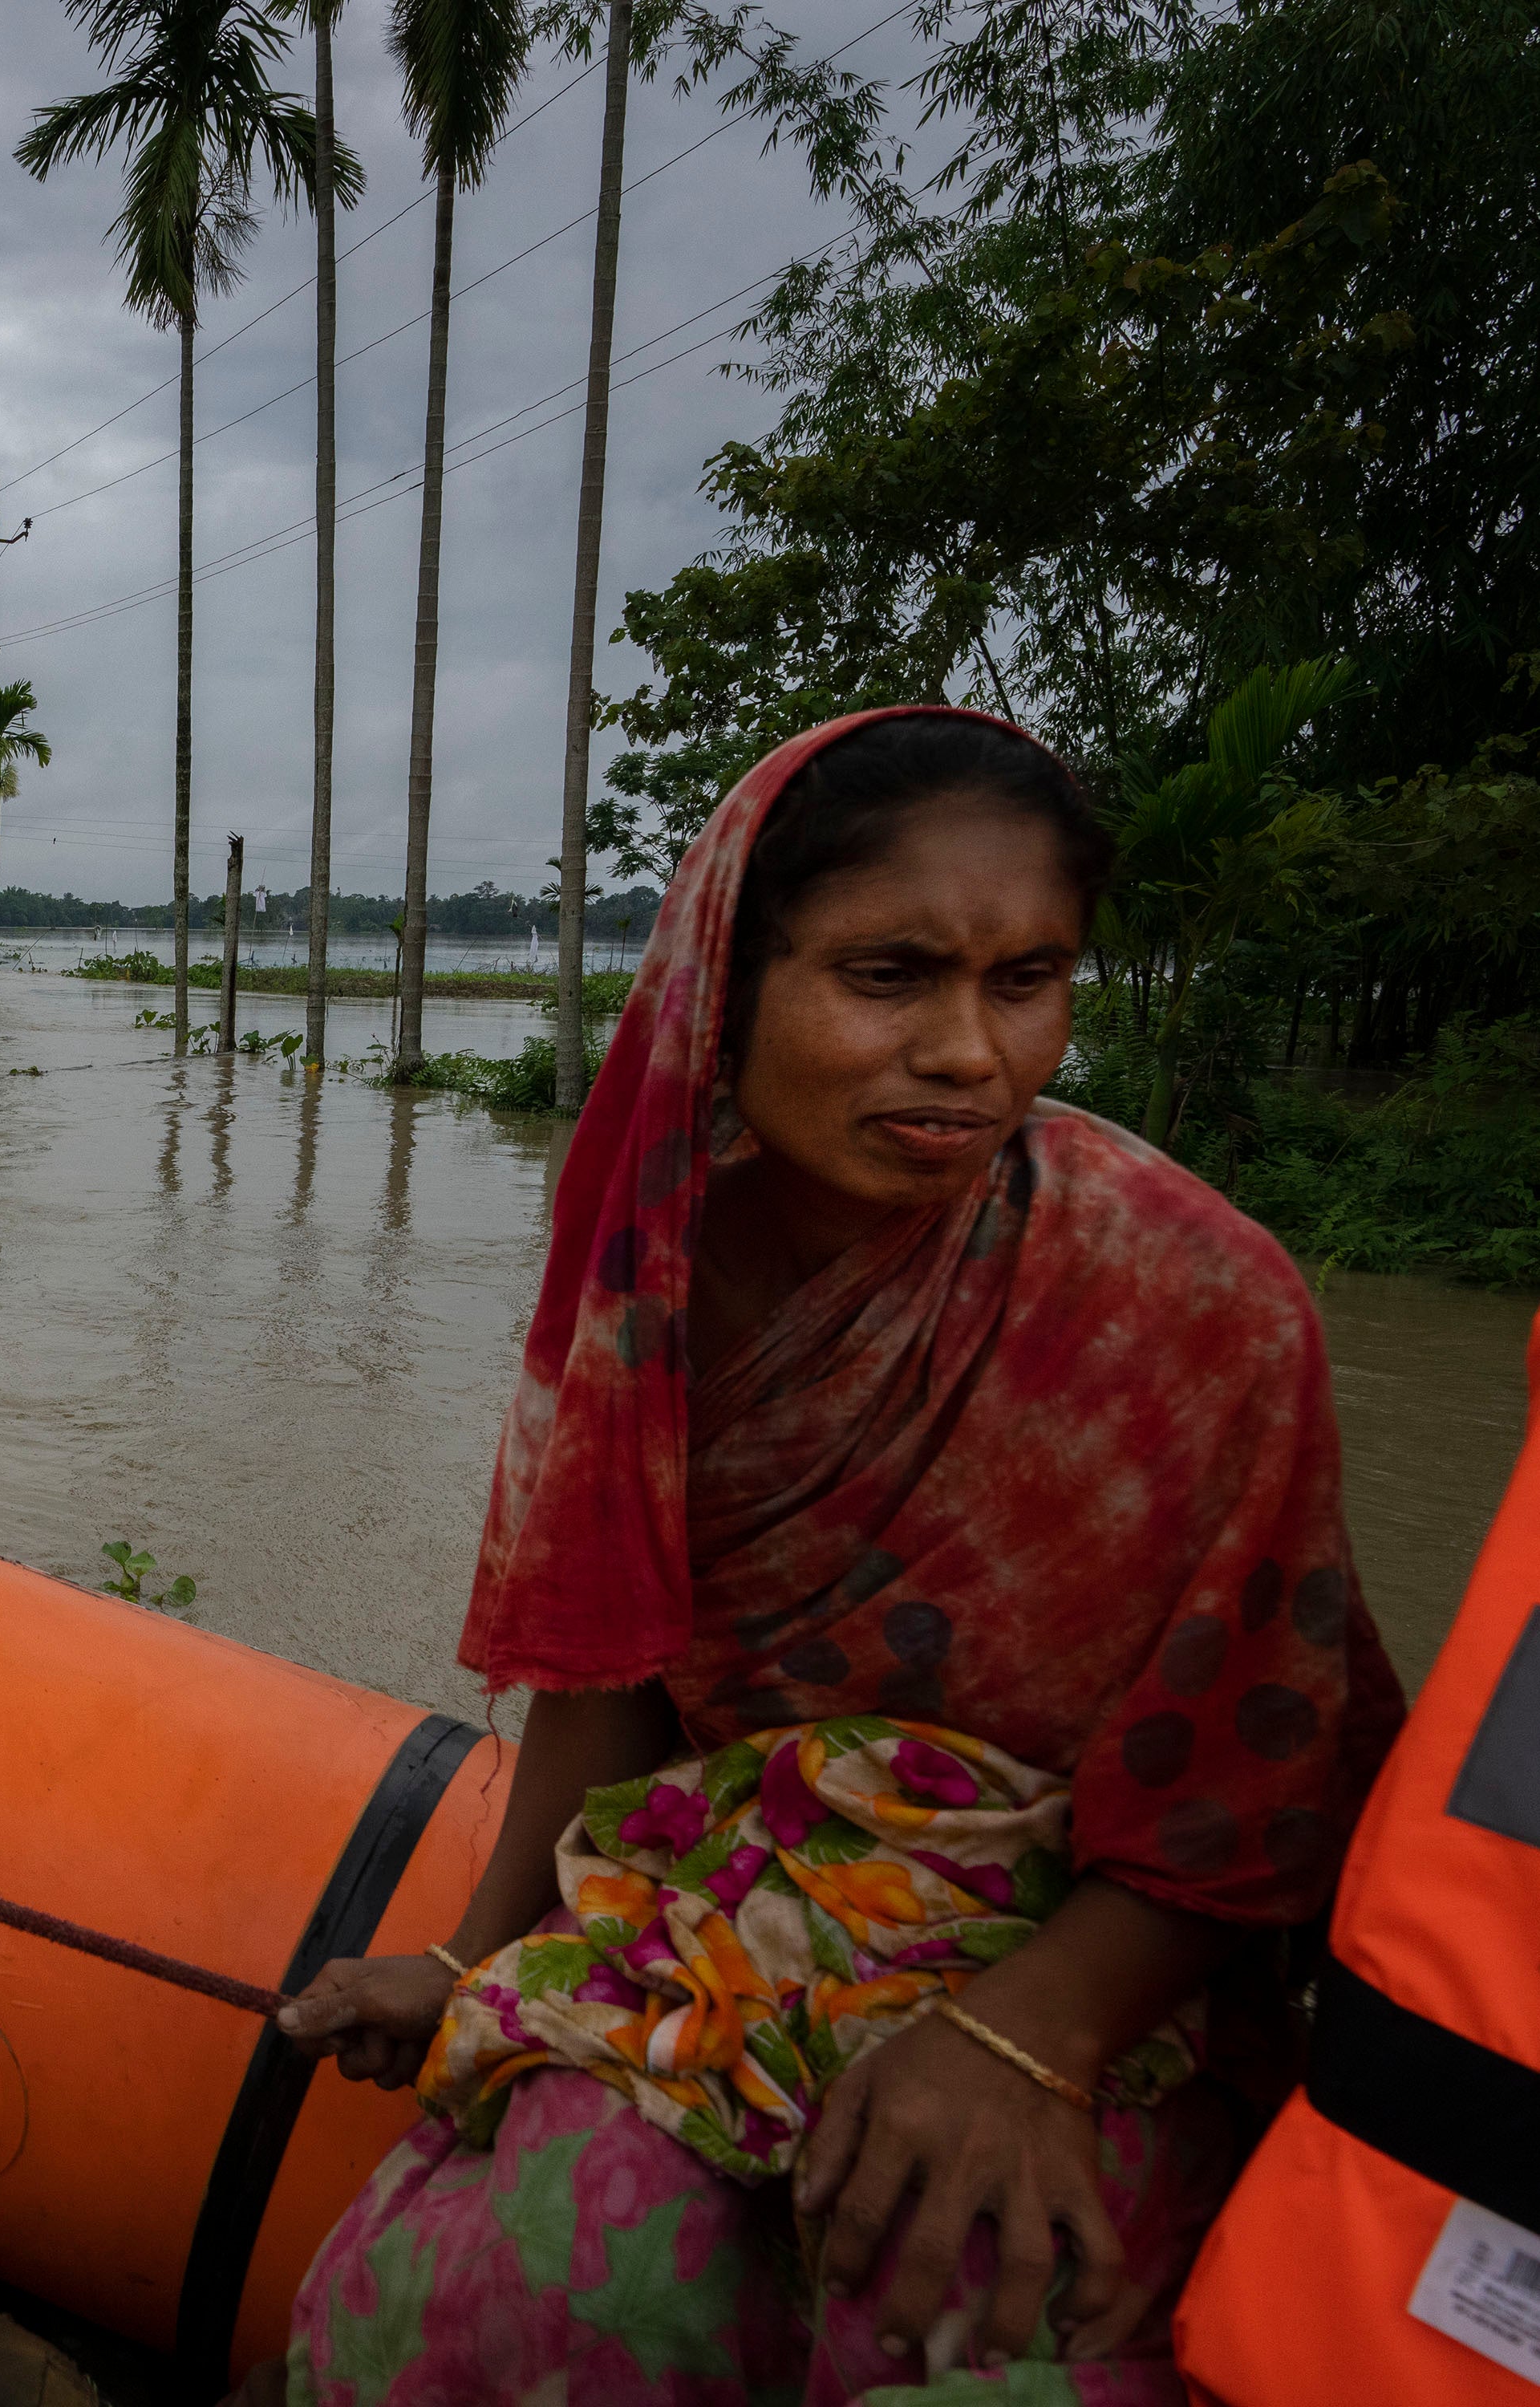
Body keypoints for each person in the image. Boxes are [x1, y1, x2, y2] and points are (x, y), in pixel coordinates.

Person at [256, 708, 1406, 2406]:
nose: (969, 1050)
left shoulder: (1195, 1303)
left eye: (1029, 978)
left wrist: (1033, 2036)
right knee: (547, 2275)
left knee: (934, 2303)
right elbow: (614, 1674)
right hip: (722, 1913)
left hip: (1083, 1961)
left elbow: (1256, 1770)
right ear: (731, 984)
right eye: (889, 974)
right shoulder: (647, 1275)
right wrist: (470, 1965)